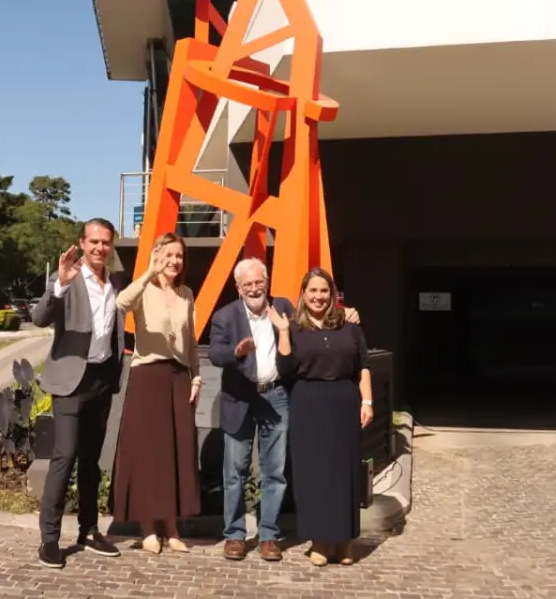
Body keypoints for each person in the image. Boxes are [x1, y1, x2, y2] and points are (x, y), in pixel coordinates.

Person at [207, 257, 360, 562]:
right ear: (238, 288)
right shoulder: (225, 316)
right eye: (247, 284)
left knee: (274, 471)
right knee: (234, 472)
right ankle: (234, 535)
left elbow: (316, 322)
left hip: (276, 395)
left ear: (267, 283)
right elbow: (214, 353)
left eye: (259, 282)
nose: (254, 288)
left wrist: (348, 313)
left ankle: (268, 535)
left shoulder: (284, 308)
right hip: (240, 398)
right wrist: (236, 352)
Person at [30, 218, 126, 569]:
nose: (100, 248)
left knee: (90, 461)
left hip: (101, 379)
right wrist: (58, 287)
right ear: (82, 243)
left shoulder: (115, 281)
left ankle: (88, 530)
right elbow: (40, 318)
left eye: (105, 243)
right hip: (71, 380)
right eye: (94, 242)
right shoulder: (66, 277)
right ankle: (49, 539)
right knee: (65, 455)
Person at [271, 266, 372, 567]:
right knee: (313, 474)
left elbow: (362, 366)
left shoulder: (350, 325)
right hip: (308, 404)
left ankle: (344, 540)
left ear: (333, 295)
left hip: (343, 402)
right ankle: (319, 540)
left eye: (323, 291)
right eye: (312, 290)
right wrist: (285, 332)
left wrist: (366, 401)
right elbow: (286, 368)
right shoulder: (295, 327)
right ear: (303, 294)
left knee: (344, 471)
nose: (318, 296)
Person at [110, 232, 202, 554]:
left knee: (176, 451)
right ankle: (148, 527)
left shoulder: (186, 293)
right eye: (168, 255)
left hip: (178, 377)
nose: (174, 261)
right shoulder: (143, 288)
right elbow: (120, 305)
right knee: (149, 451)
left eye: (179, 256)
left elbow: (190, 343)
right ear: (157, 255)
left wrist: (196, 378)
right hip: (147, 374)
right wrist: (149, 271)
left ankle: (172, 526)